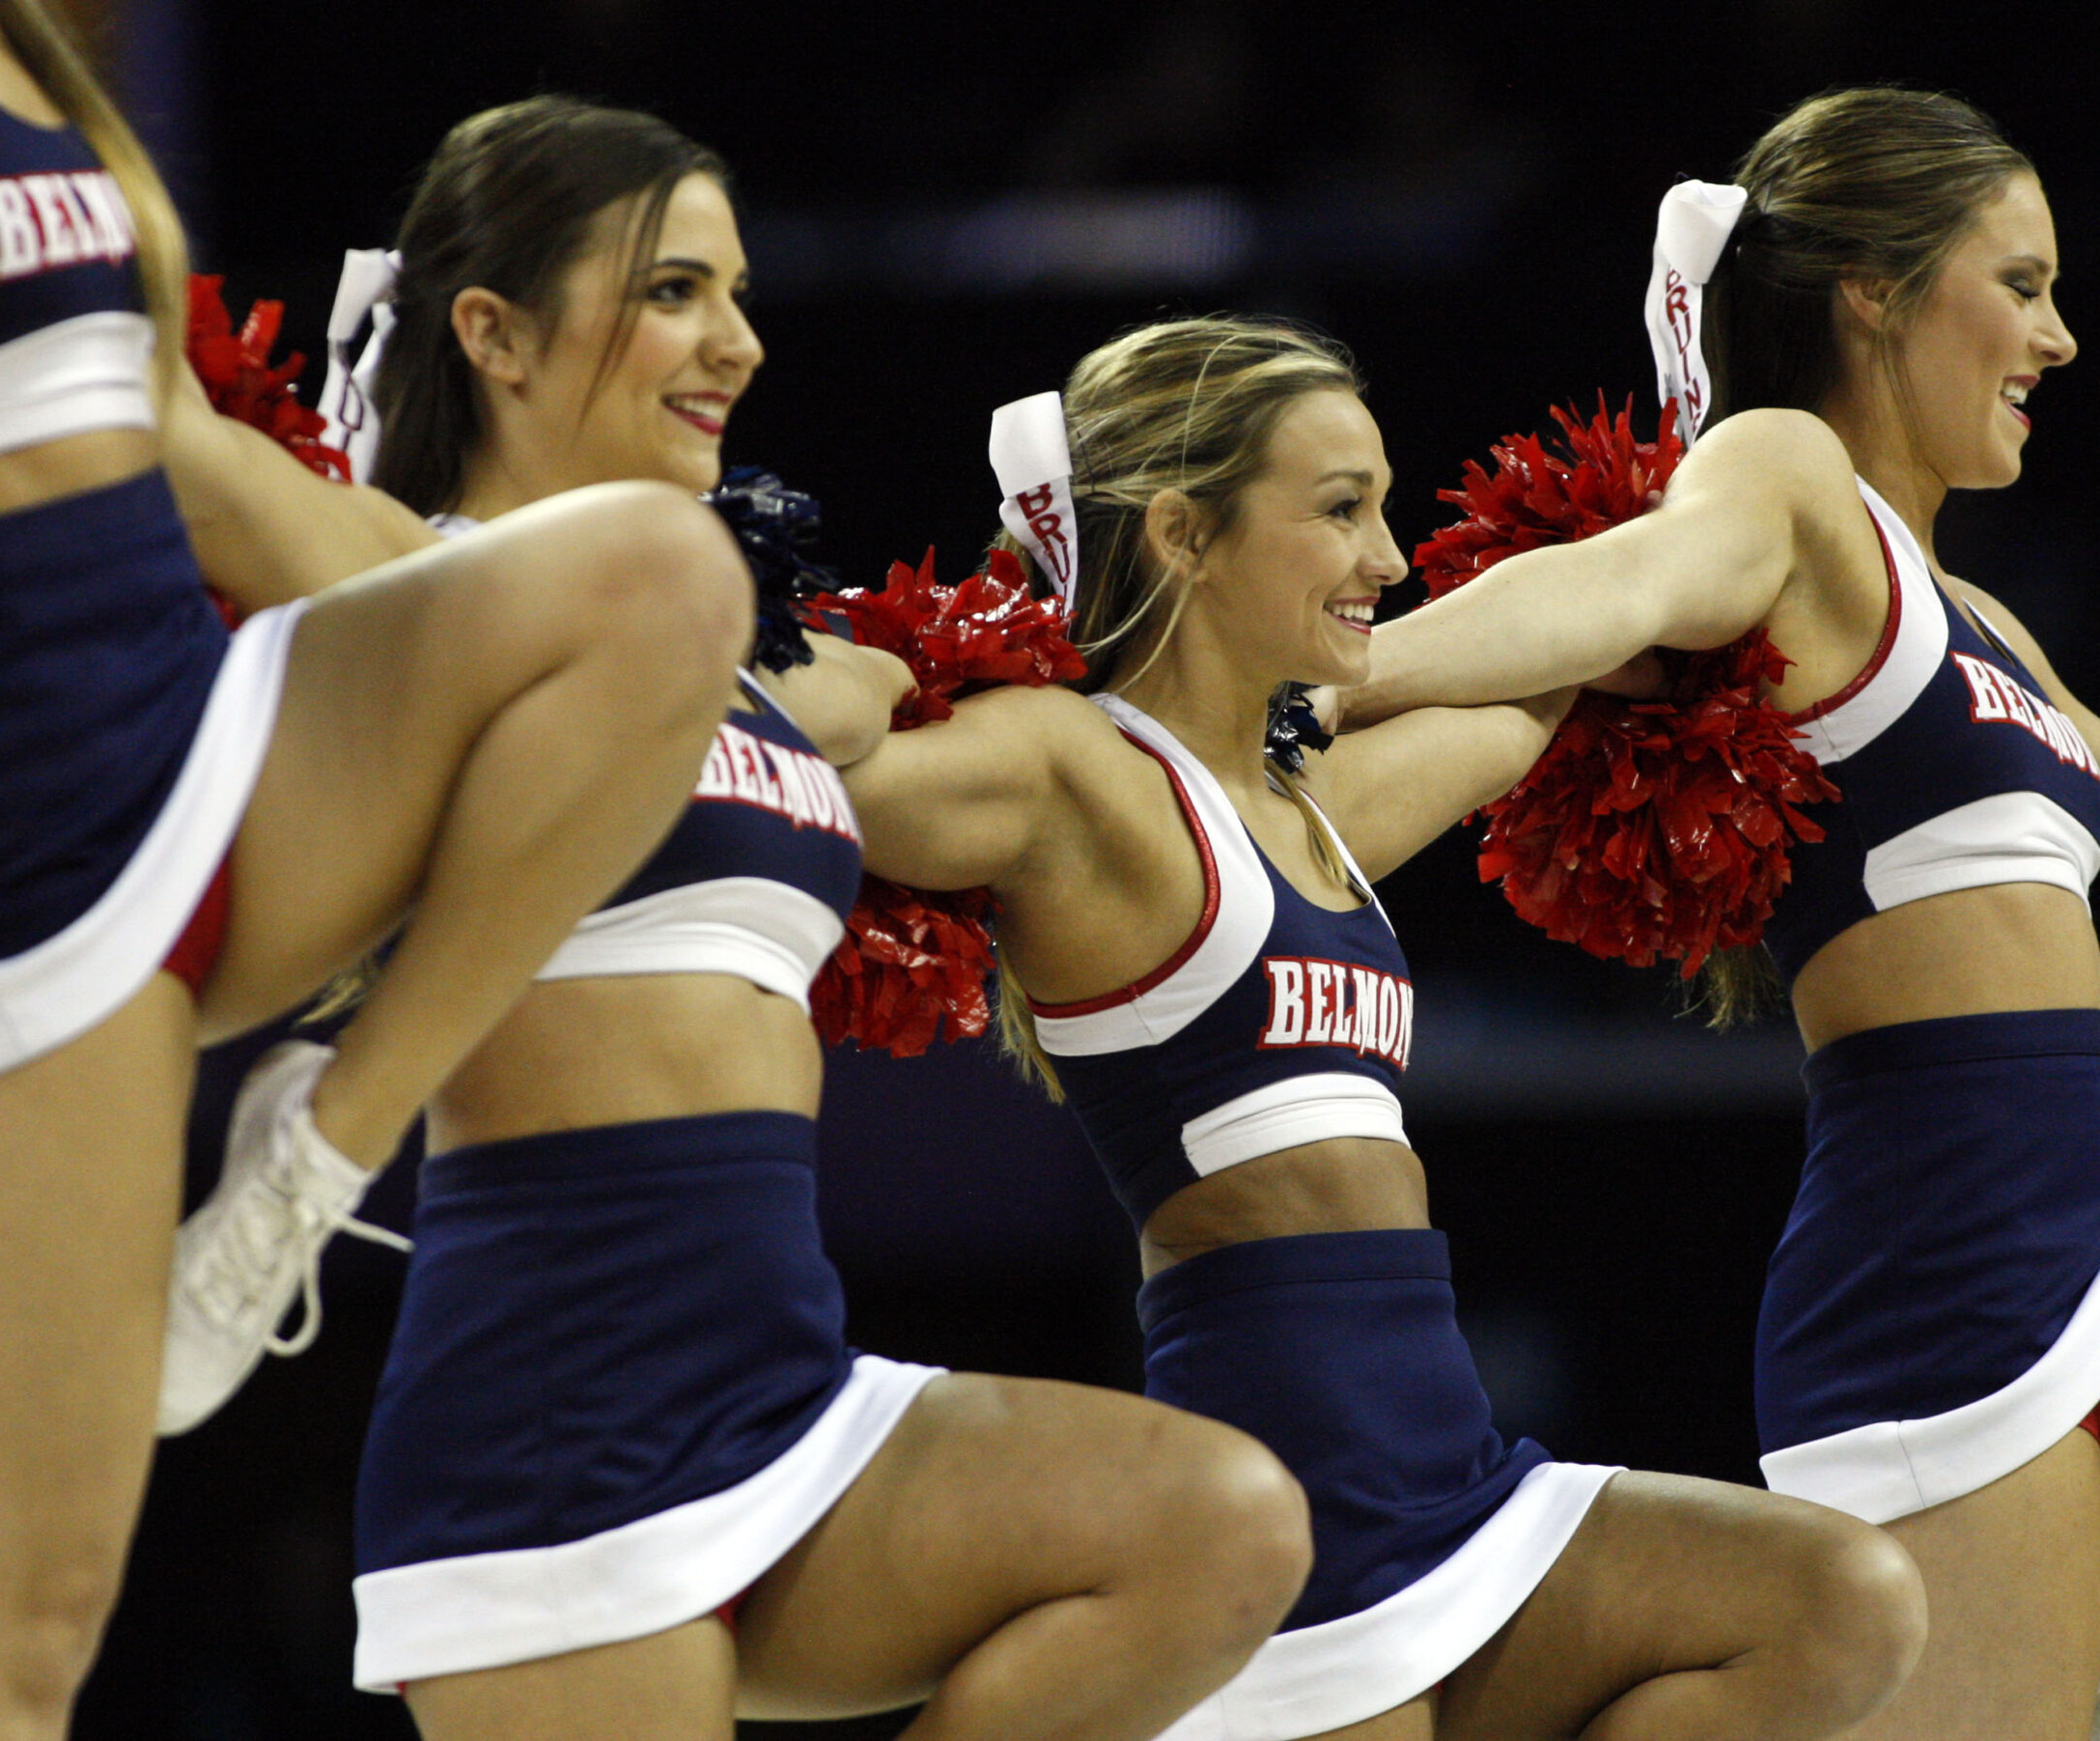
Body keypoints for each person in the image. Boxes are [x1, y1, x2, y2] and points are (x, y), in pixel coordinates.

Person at [221, 96, 1310, 1739]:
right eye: (670, 292)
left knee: (1221, 1529)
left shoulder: (721, 646)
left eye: (733, 293)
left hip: (786, 1395)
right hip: (559, 1417)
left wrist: (852, 673)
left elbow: (844, 704)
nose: (732, 342)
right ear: (493, 334)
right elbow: (210, 480)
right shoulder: (417, 581)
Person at [1344, 86, 2100, 1741]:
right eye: (2019, 284)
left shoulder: (1988, 618)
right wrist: (1334, 676)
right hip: (1946, 1288)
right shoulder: (1787, 479)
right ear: (1870, 289)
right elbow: (1621, 588)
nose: (2060, 338)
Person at [0, 1, 753, 1732]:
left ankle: (310, 1159)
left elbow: (200, 468)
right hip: (1, 875)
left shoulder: (19, 45)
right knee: (14, 1619)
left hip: (211, 754)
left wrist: (476, 609)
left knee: (659, 583)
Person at [839, 314, 1930, 1740]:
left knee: (1841, 1601)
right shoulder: (1079, 781)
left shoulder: (1320, 814)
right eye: (1341, 509)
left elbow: (1546, 687)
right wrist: (866, 668)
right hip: (1290, 1496)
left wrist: (1677, 585)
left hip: (1455, 1478)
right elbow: (807, 786)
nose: (1391, 556)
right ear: (1180, 532)